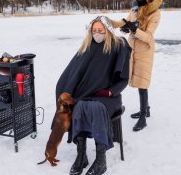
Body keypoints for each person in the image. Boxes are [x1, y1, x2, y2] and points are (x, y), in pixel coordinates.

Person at [55, 16, 131, 175]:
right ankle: (81, 155)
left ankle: (101, 160)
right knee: (80, 105)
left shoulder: (119, 46)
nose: (97, 34)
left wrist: (110, 91)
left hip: (108, 97)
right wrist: (66, 91)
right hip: (87, 94)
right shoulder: (87, 47)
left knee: (95, 107)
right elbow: (73, 73)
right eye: (94, 31)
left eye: (100, 31)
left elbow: (124, 79)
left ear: (108, 31)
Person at [109, 0, 163, 131]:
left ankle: (143, 118)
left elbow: (148, 37)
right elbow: (124, 21)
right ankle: (145, 109)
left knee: (142, 83)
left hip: (145, 51)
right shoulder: (134, 8)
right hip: (132, 49)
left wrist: (134, 30)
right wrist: (111, 23)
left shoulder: (155, 13)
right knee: (137, 81)